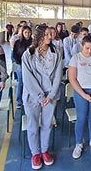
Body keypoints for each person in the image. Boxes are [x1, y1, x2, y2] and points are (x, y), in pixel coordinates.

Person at [21, 25, 63, 169]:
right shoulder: (28, 54)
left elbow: (58, 76)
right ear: (39, 36)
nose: (50, 37)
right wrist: (40, 97)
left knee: (47, 124)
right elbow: (28, 79)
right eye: (46, 34)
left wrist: (50, 96)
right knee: (32, 126)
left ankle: (44, 151)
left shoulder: (56, 52)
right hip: (33, 96)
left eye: (51, 34)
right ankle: (35, 153)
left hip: (50, 96)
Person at [68, 36, 91, 159]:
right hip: (80, 92)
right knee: (81, 117)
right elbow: (72, 78)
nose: (90, 51)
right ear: (81, 46)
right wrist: (84, 94)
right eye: (87, 48)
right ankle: (79, 143)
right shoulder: (76, 58)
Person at [12, 25, 32, 109]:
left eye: (28, 32)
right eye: (25, 32)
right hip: (20, 65)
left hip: (31, 65)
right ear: (22, 33)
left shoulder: (33, 42)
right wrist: (20, 63)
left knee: (30, 83)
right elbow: (15, 55)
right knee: (21, 83)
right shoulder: (18, 42)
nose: (27, 34)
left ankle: (29, 99)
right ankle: (19, 101)